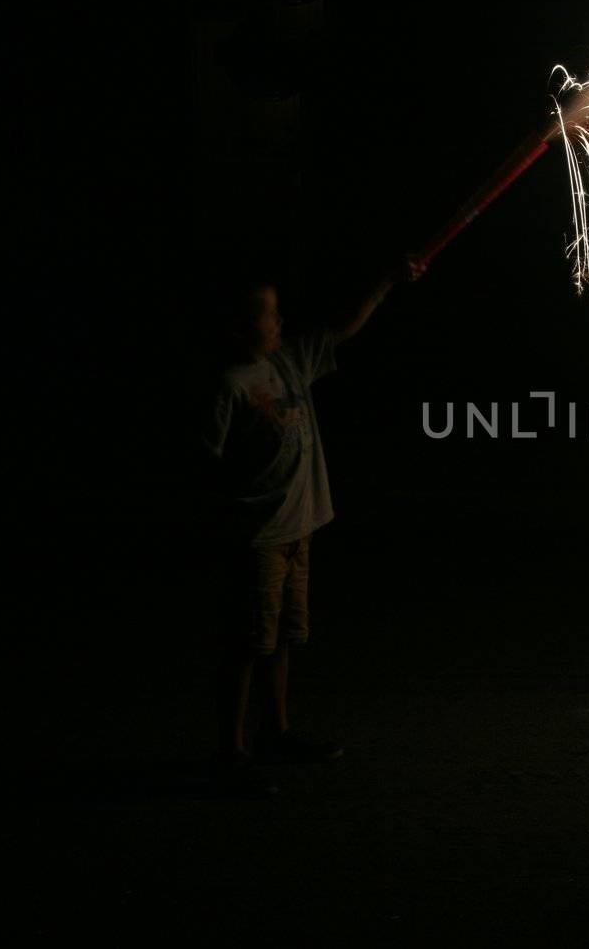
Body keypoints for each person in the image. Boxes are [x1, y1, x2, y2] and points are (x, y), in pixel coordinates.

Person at [203, 254, 424, 792]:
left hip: (297, 528)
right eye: (266, 314)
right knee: (249, 640)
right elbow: (204, 460)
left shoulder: (288, 363)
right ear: (237, 326)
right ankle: (230, 750)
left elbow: (343, 328)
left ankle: (275, 731)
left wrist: (386, 282)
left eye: (278, 312)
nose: (278, 322)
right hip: (258, 535)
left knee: (282, 637)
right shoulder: (229, 383)